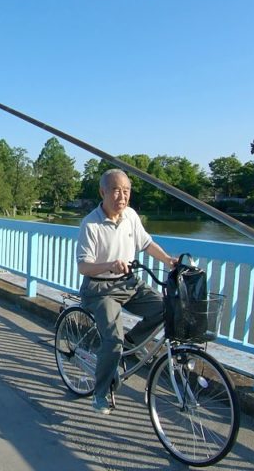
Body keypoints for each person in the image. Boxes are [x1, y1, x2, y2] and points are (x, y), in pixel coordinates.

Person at [75, 169, 177, 415]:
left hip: (129, 283)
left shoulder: (130, 215)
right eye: (116, 190)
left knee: (166, 307)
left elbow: (146, 243)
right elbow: (83, 266)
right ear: (103, 192)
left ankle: (128, 347)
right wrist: (109, 264)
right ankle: (100, 394)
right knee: (112, 340)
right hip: (99, 289)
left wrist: (167, 260)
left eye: (126, 191)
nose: (122, 196)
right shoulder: (90, 223)